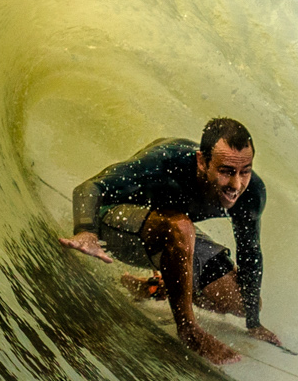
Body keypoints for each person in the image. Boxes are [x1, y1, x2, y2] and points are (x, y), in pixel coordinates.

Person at [61, 117, 282, 364]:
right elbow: (90, 188)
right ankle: (188, 329)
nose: (236, 184)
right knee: (181, 227)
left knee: (243, 301)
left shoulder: (251, 194)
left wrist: (254, 323)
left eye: (245, 172)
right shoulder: (165, 161)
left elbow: (250, 254)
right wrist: (86, 232)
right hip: (115, 223)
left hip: (173, 232)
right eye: (226, 172)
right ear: (202, 161)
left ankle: (156, 286)